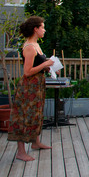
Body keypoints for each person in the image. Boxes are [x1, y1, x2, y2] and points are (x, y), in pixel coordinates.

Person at [7, 16, 55, 162]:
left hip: (38, 84)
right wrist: (45, 63)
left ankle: (35, 142)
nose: (44, 30)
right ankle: (21, 152)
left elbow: (37, 65)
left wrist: (47, 68)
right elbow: (27, 71)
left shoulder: (36, 45)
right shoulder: (29, 47)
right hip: (29, 86)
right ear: (36, 29)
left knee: (36, 113)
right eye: (42, 27)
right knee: (23, 116)